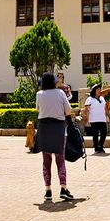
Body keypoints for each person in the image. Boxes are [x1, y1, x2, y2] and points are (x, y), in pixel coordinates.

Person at [36, 71, 74, 201]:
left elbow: (38, 109)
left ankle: (48, 190)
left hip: (44, 129)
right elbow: (68, 111)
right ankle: (63, 188)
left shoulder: (39, 94)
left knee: (46, 162)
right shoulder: (60, 93)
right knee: (60, 160)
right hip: (58, 129)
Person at [83, 84, 108, 153]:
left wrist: (108, 116)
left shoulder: (102, 98)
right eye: (98, 89)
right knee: (95, 133)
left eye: (100, 89)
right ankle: (96, 148)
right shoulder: (89, 99)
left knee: (104, 132)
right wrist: (86, 118)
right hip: (94, 120)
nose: (99, 90)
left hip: (102, 119)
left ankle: (100, 145)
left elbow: (105, 108)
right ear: (94, 91)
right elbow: (86, 109)